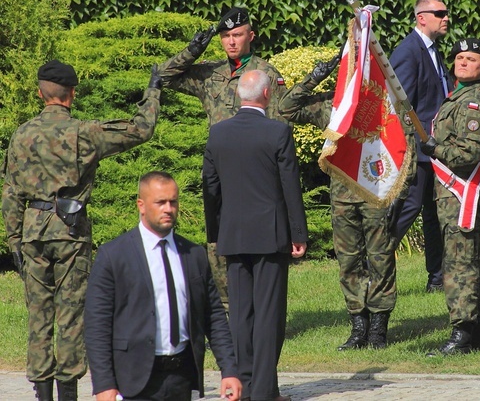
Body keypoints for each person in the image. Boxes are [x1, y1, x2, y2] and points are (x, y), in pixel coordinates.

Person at [1, 60, 161, 400]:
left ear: (40, 93)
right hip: (70, 231)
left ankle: (42, 393)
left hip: (32, 233)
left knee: (39, 316)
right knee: (71, 316)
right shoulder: (83, 132)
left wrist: (14, 238)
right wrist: (153, 90)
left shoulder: (21, 135)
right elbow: (140, 129)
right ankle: (69, 394)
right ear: (71, 94)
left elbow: (11, 192)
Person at [155, 6, 290, 309]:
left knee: (259, 242)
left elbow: (281, 124)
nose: (231, 42)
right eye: (225, 36)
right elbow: (163, 76)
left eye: (237, 35)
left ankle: (258, 309)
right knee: (218, 240)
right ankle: (230, 311)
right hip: (222, 170)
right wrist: (192, 50)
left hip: (257, 172)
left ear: (250, 36)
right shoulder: (210, 74)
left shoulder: (265, 74)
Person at [278, 55, 413, 350]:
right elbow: (286, 108)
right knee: (348, 260)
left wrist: (397, 190)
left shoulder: (382, 100)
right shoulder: (332, 104)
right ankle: (358, 325)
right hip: (342, 195)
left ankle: (378, 326)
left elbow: (404, 142)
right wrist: (314, 77)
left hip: (375, 190)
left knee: (380, 258)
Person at [84, 172, 242, 400]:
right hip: (133, 380)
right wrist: (104, 384)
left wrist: (229, 370)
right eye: (160, 202)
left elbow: (213, 315)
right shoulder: (114, 256)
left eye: (173, 202)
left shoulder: (194, 254)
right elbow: (96, 325)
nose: (168, 208)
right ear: (141, 205)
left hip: (181, 376)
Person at [203, 70, 308, 400]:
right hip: (270, 235)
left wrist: (216, 231)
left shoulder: (218, 133)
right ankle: (264, 391)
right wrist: (298, 232)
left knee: (241, 313)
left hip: (233, 235)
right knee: (268, 315)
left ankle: (243, 385)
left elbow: (210, 187)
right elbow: (290, 186)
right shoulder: (277, 131)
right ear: (267, 95)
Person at [419, 38, 480, 355]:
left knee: (459, 265)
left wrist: (433, 149)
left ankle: (463, 332)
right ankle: (475, 332)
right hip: (451, 194)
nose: (463, 62)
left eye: (471, 58)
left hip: (463, 194)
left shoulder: (474, 103)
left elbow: (468, 153)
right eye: (459, 57)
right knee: (468, 261)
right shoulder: (457, 97)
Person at [390, 0, 453, 293]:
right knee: (408, 207)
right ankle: (376, 262)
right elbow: (399, 107)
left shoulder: (433, 50)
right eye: (439, 13)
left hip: (436, 150)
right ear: (421, 18)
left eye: (446, 13)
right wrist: (413, 147)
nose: (446, 18)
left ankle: (437, 276)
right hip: (417, 151)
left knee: (433, 212)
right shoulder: (408, 52)